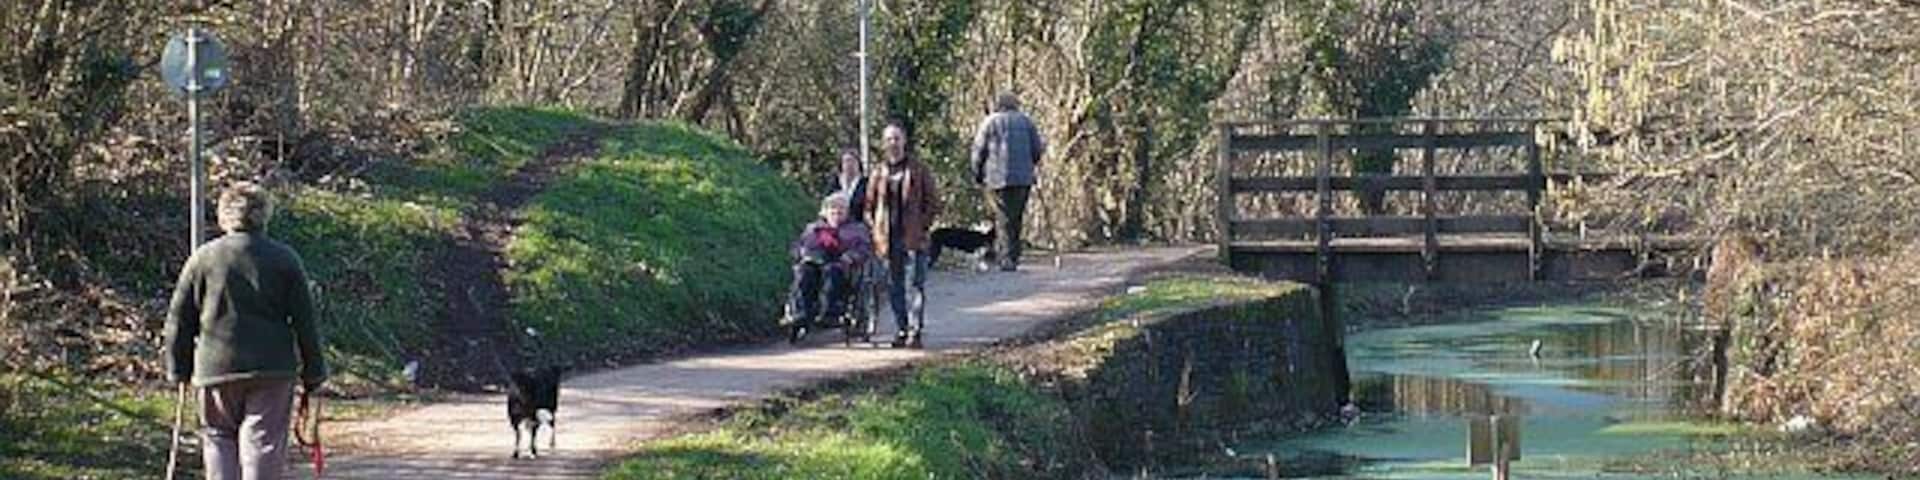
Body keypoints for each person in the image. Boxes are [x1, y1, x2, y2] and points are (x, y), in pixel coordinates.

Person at [165, 181, 327, 480]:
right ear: (264, 215)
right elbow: (306, 322)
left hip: (215, 368)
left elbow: (179, 319)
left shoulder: (203, 259)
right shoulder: (285, 259)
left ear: (224, 215)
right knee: (263, 444)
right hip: (272, 368)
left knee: (218, 439)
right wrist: (314, 372)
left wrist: (178, 368)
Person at [866, 120, 941, 348]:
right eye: (889, 139)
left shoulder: (918, 170)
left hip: (913, 239)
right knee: (894, 286)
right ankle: (901, 329)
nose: (893, 143)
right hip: (887, 240)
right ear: (883, 143)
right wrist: (875, 229)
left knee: (915, 285)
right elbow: (868, 206)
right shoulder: (878, 172)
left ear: (904, 141)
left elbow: (933, 202)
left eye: (897, 138)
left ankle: (915, 330)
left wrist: (922, 226)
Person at [970, 92, 1045, 271]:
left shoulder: (989, 122)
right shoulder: (1027, 122)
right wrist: (1030, 164)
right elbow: (1037, 150)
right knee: (1016, 217)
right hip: (1022, 179)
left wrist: (977, 174)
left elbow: (978, 150)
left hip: (997, 178)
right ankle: (1013, 255)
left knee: (1002, 218)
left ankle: (1005, 258)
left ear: (999, 105)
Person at [785, 193, 872, 342]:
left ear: (847, 212)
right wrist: (803, 254)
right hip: (815, 263)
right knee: (804, 272)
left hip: (842, 267)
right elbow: (799, 246)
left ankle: (829, 312)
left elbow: (863, 249)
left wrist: (850, 257)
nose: (836, 215)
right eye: (833, 211)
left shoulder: (856, 229)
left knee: (832, 272)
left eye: (840, 212)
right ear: (825, 212)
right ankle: (801, 313)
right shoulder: (813, 229)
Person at [833, 148, 869, 222]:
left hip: (859, 225)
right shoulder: (834, 183)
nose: (849, 164)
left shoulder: (866, 183)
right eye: (846, 161)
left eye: (853, 161)